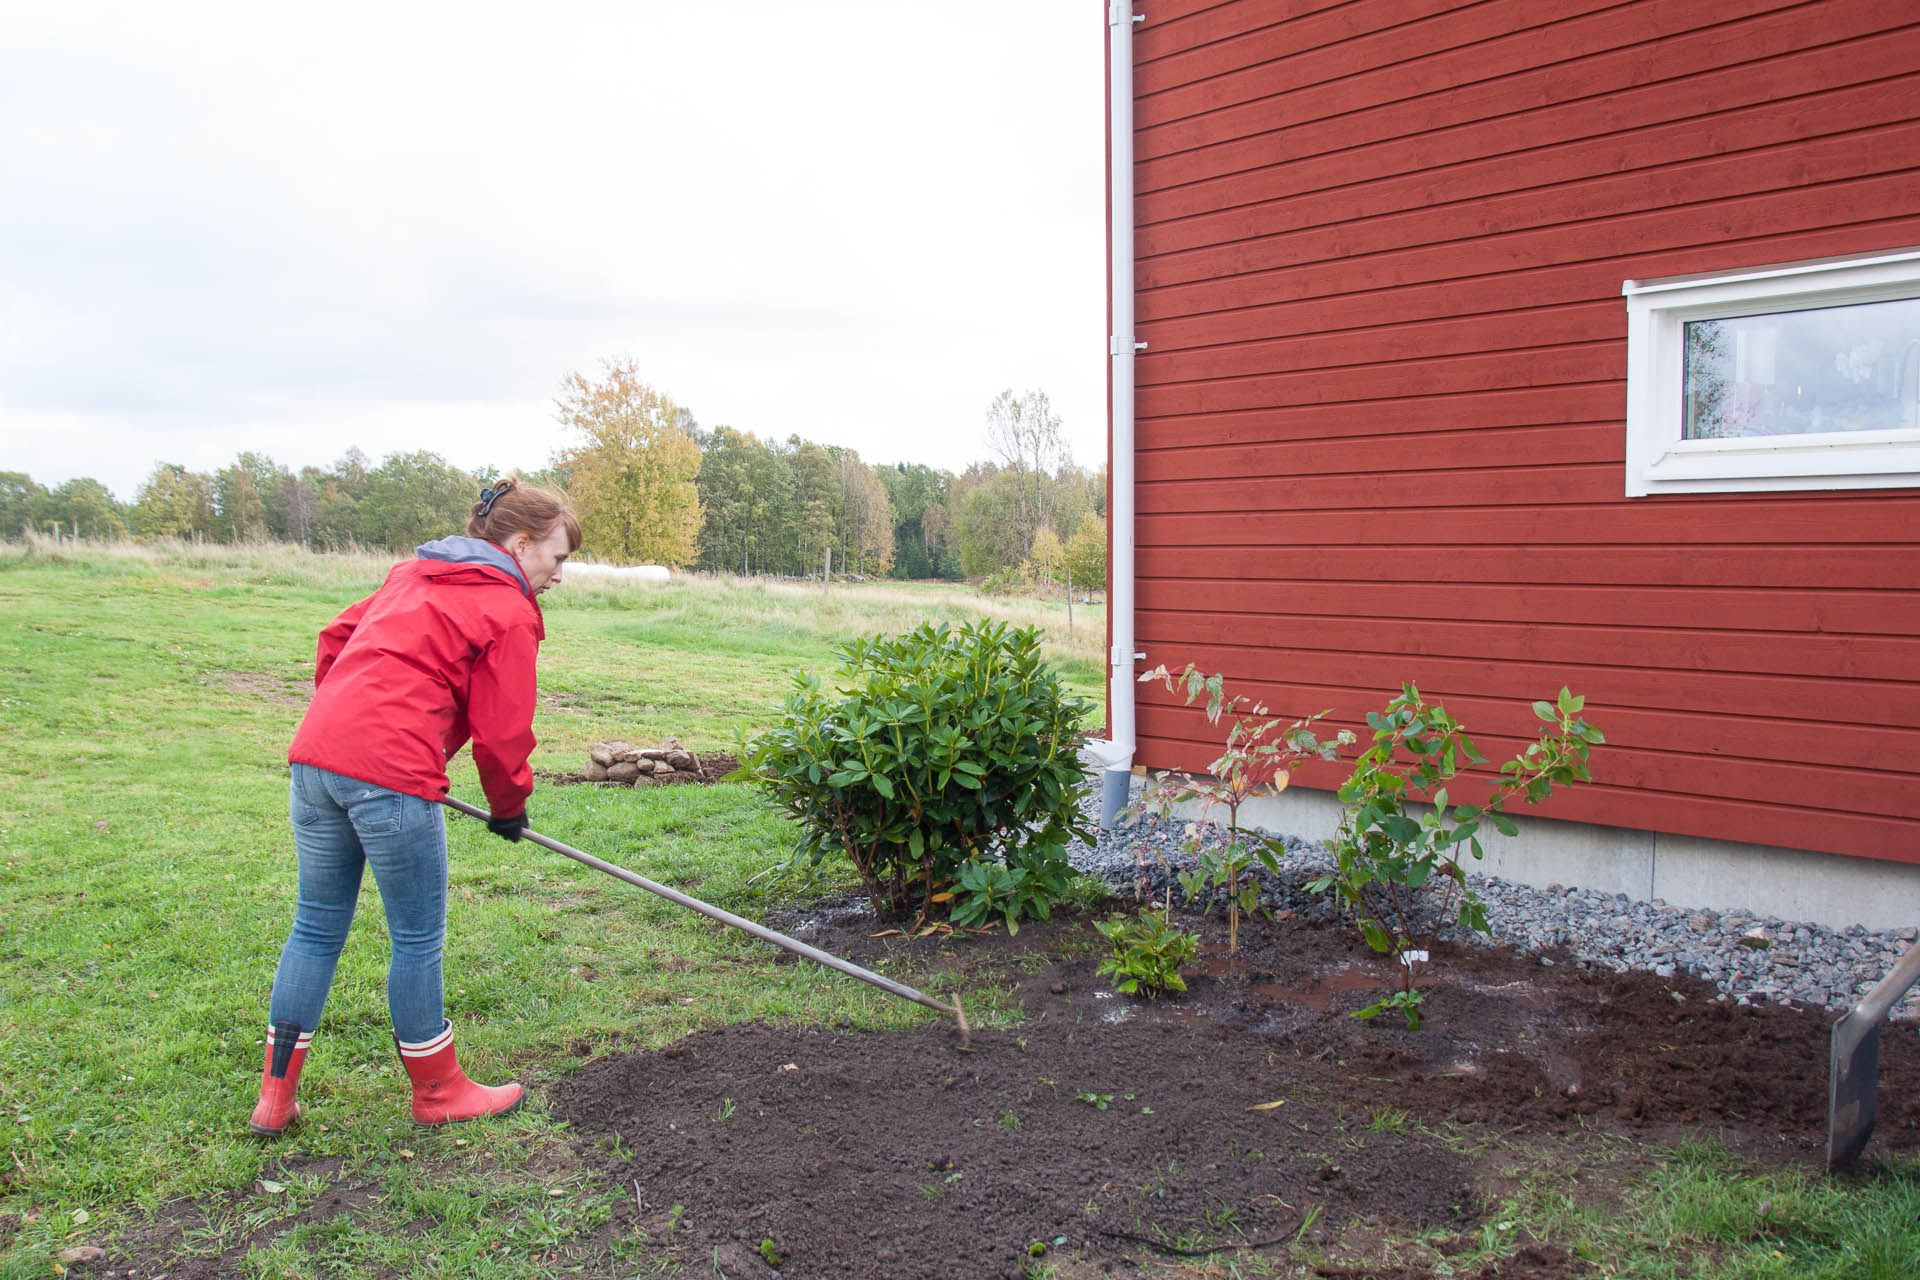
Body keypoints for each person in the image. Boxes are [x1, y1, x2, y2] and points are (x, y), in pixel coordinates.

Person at [248, 477, 581, 1136]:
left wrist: (348, 734)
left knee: (315, 926)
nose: (560, 576)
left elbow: (333, 640)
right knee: (416, 939)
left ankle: (274, 1100)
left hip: (315, 761)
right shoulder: (508, 609)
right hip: (389, 776)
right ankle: (438, 1091)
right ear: (519, 544)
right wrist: (509, 805)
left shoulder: (412, 575)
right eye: (559, 557)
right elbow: (502, 732)